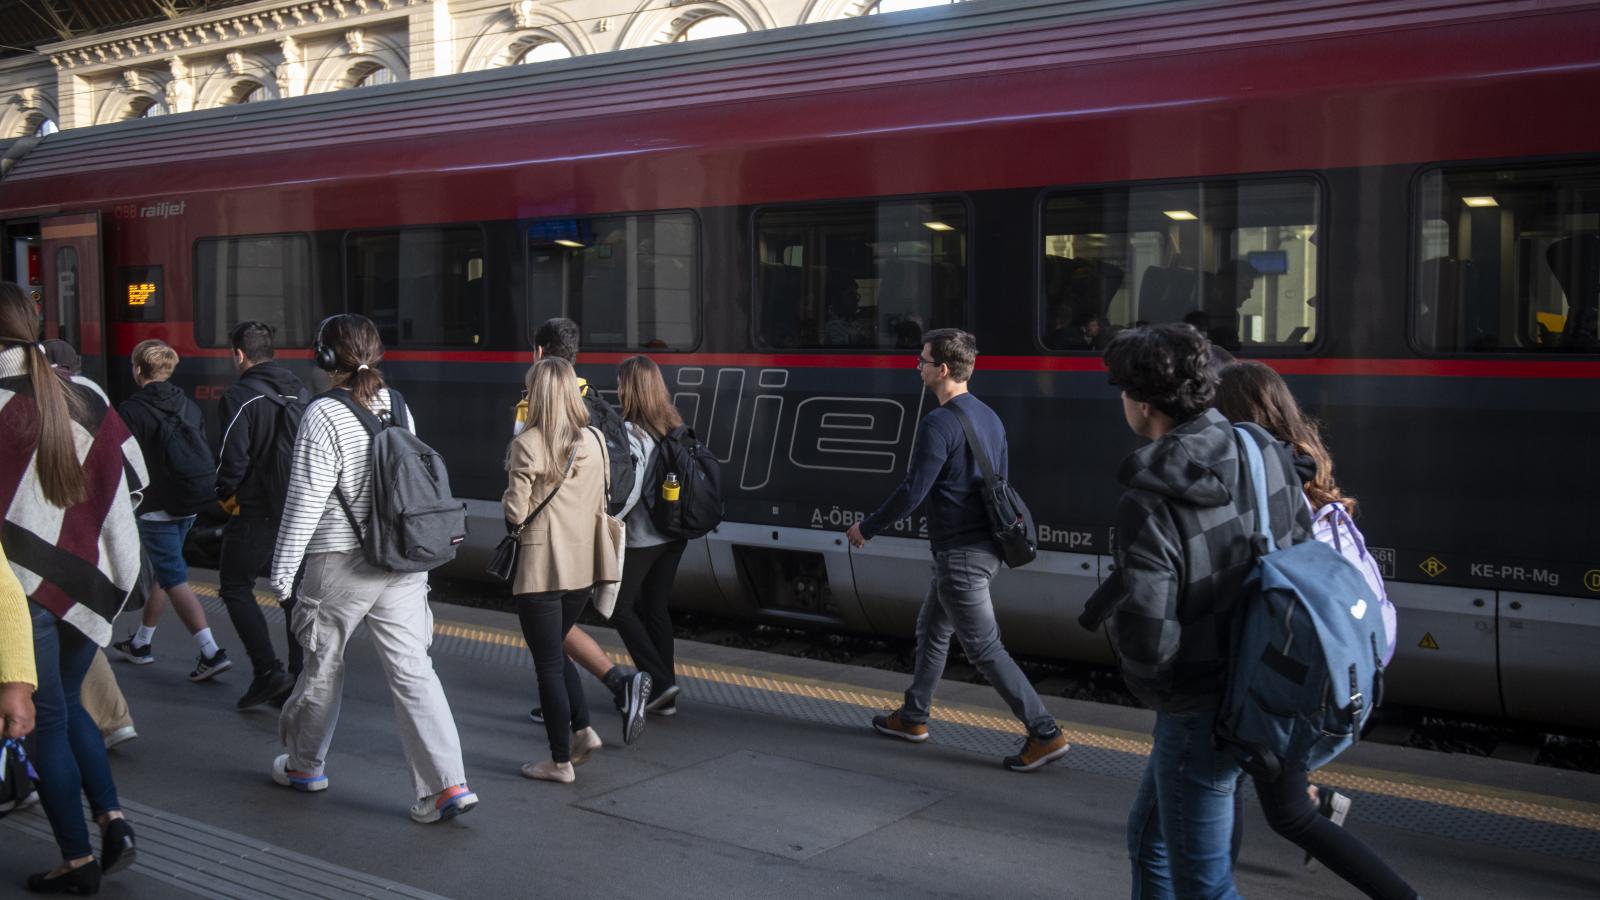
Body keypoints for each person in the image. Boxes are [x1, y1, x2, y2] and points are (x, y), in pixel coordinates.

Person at [1079, 323, 1310, 899]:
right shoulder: (1261, 449)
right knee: (1152, 838)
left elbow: (1150, 635)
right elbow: (1301, 549)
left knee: (1201, 884)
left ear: (1143, 402)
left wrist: (1162, 691)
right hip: (1262, 681)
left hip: (1200, 704)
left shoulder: (1151, 497)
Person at [1214, 360, 1418, 900]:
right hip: (1340, 660)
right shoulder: (1307, 464)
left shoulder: (1261, 479)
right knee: (1276, 806)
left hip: (1289, 675)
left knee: (1241, 796)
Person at [269, 314, 477, 824]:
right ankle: (446, 784)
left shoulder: (321, 415)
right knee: (413, 670)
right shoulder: (397, 406)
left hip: (339, 565)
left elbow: (305, 503)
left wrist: (281, 574)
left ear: (323, 359)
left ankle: (304, 766)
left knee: (322, 668)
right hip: (402, 562)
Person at [846, 328, 1069, 771]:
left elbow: (913, 490)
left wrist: (866, 527)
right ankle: (913, 718)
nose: (918, 366)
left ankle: (1044, 732)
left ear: (942, 369)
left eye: (923, 361)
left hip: (962, 555)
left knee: (985, 648)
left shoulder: (939, 423)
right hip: (982, 547)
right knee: (932, 629)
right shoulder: (989, 416)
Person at [0, 282, 141, 893]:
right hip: (90, 581)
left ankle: (78, 861)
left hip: (17, 592)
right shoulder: (86, 396)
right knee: (68, 701)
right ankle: (113, 820)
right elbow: (133, 478)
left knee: (49, 720)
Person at [518, 318, 651, 741]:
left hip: (547, 551)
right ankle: (596, 706)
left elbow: (519, 503)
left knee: (548, 652)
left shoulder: (530, 417)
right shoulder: (597, 411)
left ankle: (588, 719)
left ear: (539, 354)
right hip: (590, 546)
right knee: (555, 639)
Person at [504, 358, 618, 784]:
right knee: (556, 650)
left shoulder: (527, 443)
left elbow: (516, 515)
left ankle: (559, 762)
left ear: (535, 394)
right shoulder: (595, 440)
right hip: (583, 569)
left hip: (540, 570)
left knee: (548, 663)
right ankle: (583, 729)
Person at [112, 339, 231, 681]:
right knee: (166, 574)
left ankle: (211, 651)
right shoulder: (187, 404)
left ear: (138, 369)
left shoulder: (131, 411)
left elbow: (123, 463)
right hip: (190, 503)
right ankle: (141, 644)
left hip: (156, 508)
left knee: (174, 578)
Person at [41, 338, 138, 749]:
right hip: (88, 549)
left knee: (53, 694)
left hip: (45, 550)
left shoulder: (30, 400)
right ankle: (113, 721)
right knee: (80, 631)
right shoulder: (91, 395)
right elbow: (131, 473)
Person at [214, 321, 311, 709]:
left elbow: (231, 459)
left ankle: (267, 672)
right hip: (298, 507)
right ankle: (300, 677)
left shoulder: (240, 395)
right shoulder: (301, 389)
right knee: (291, 592)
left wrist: (224, 492)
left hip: (257, 508)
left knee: (235, 585)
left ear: (239, 354)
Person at [610, 356, 689, 717]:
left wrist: (609, 519)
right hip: (674, 534)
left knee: (618, 607)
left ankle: (659, 681)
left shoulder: (631, 431)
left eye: (620, 382)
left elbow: (631, 490)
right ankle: (665, 697)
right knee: (655, 609)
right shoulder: (672, 423)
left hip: (644, 536)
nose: (616, 388)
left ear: (631, 389)